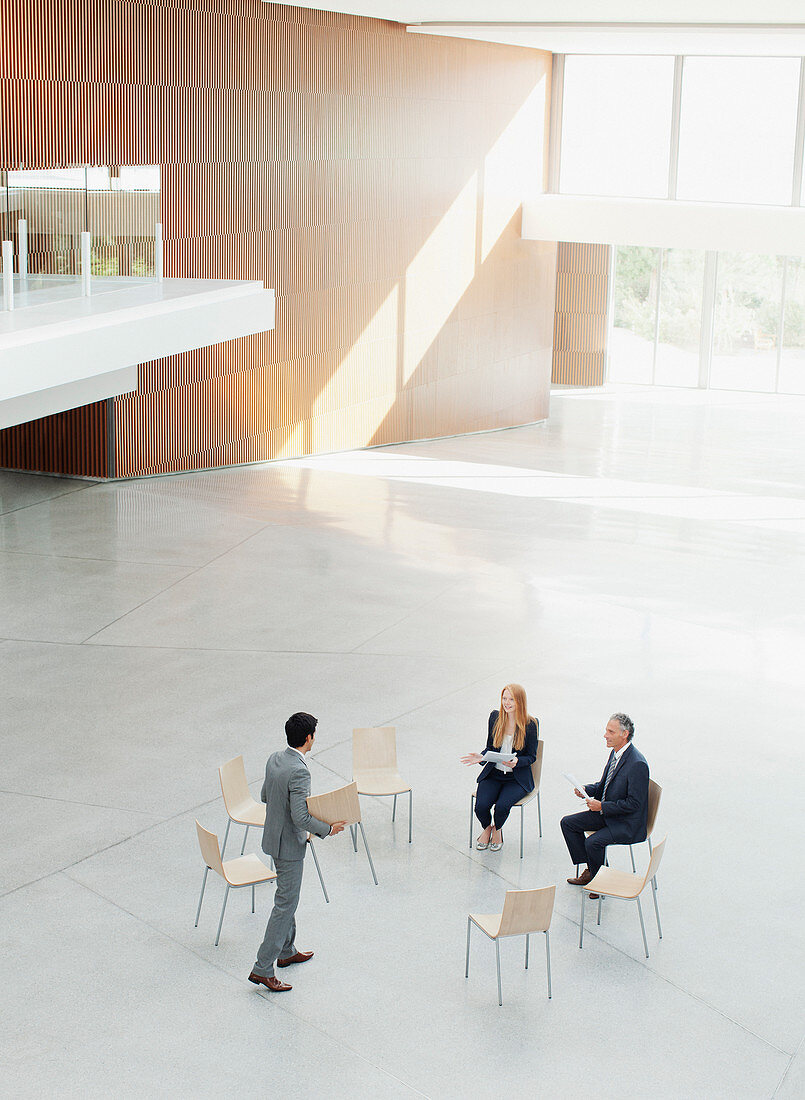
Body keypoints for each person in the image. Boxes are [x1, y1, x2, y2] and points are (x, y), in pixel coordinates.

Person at [248, 712, 346, 992]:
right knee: (285, 904)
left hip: (274, 840)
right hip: (289, 846)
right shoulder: (300, 770)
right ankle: (262, 968)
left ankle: (287, 950)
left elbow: (266, 796)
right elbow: (301, 817)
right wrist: (327, 829)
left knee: (286, 898)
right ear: (308, 738)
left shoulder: (274, 759)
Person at [561, 713, 649, 895]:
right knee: (568, 824)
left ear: (624, 734)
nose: (605, 735)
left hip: (626, 822)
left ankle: (599, 881)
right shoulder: (615, 753)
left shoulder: (637, 764)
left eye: (610, 731)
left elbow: (635, 804)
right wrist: (586, 789)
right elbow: (605, 785)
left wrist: (602, 807)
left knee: (593, 843)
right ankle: (595, 871)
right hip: (610, 814)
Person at [461, 684, 539, 852]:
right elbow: (490, 747)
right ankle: (487, 828)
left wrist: (517, 761)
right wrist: (481, 757)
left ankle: (497, 829)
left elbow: (532, 757)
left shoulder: (530, 724)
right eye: (504, 698)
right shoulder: (495, 717)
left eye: (511, 699)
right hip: (494, 774)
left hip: (516, 779)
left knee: (502, 807)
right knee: (481, 806)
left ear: (520, 701)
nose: (507, 703)